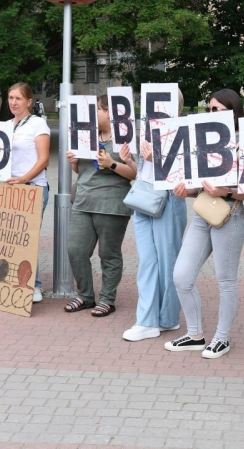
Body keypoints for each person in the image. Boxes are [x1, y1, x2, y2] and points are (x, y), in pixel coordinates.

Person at [163, 89, 244, 358]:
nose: (214, 114)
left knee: (225, 280)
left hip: (230, 215)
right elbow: (197, 185)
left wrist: (225, 191)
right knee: (181, 275)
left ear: (234, 111)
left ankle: (222, 338)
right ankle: (195, 334)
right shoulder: (203, 141)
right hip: (203, 213)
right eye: (210, 110)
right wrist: (186, 191)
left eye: (220, 109)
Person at [121, 89, 187, 341]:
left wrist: (157, 158)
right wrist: (129, 161)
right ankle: (148, 320)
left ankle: (167, 318)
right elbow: (143, 173)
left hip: (169, 200)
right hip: (144, 199)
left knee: (168, 261)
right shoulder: (147, 134)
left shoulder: (182, 133)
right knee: (148, 261)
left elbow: (182, 177)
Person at [64, 95, 136, 317]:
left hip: (112, 203)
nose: (92, 116)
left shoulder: (125, 139)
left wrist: (112, 163)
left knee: (109, 254)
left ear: (109, 113)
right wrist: (74, 163)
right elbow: (83, 172)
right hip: (84, 200)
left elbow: (134, 174)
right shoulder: (85, 136)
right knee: (76, 249)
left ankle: (107, 299)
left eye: (97, 111)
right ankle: (85, 296)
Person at [0, 82, 49, 302]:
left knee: (27, 238)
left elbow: (44, 159)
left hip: (32, 187)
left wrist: (25, 179)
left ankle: (34, 285)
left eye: (18, 98)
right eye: (10, 98)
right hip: (9, 188)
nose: (13, 103)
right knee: (11, 238)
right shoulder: (6, 125)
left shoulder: (38, 124)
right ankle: (11, 280)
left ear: (29, 101)